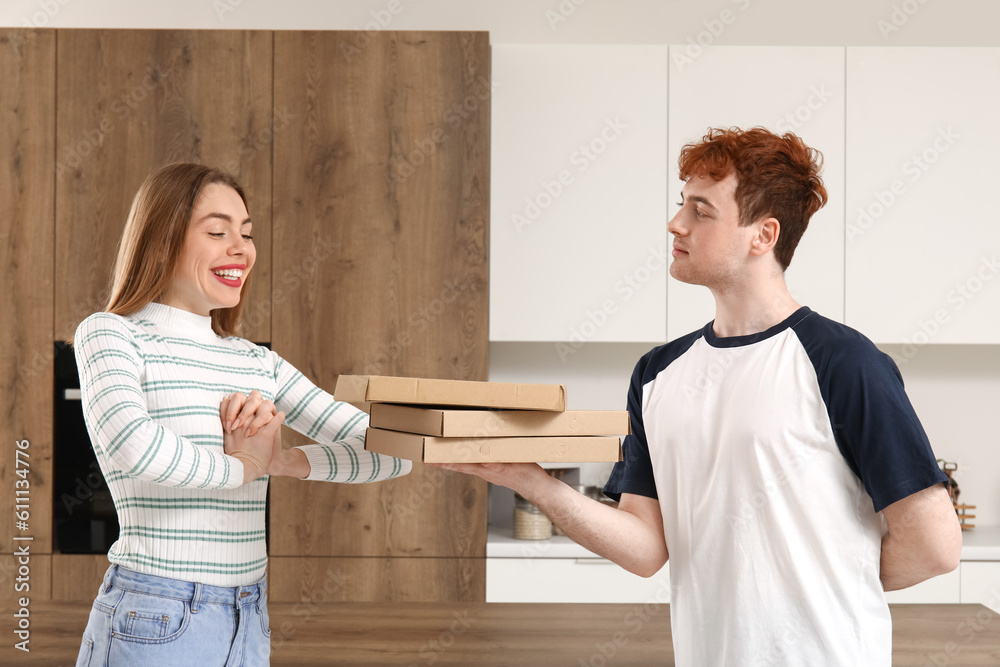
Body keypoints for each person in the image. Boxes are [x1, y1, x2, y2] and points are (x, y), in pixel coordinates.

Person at [434, 127, 962, 666]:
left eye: (701, 211)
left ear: (763, 235)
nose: (675, 223)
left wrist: (825, 581)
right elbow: (645, 550)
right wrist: (531, 481)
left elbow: (935, 546)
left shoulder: (844, 362)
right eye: (680, 204)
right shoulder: (658, 373)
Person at [72, 162, 412, 665]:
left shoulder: (256, 361)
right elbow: (132, 443)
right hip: (155, 611)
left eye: (247, 233)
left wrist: (281, 461)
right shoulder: (112, 334)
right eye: (217, 231)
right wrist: (243, 469)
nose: (241, 248)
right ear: (162, 239)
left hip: (249, 616)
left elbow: (396, 452)